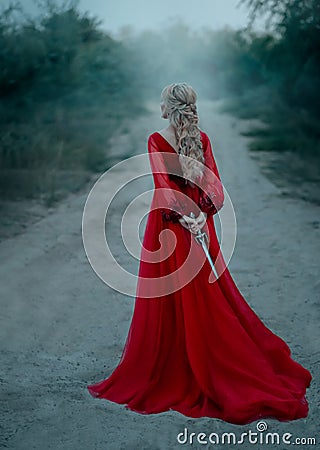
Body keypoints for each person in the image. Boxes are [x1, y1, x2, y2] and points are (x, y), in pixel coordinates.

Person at [87, 82, 312, 425]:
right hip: (196, 225)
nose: (159, 105)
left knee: (174, 298)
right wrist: (201, 216)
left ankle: (180, 364)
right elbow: (214, 185)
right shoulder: (201, 139)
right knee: (207, 297)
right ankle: (208, 358)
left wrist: (183, 217)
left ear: (170, 107)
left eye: (162, 101)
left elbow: (164, 185)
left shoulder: (156, 140)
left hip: (169, 228)